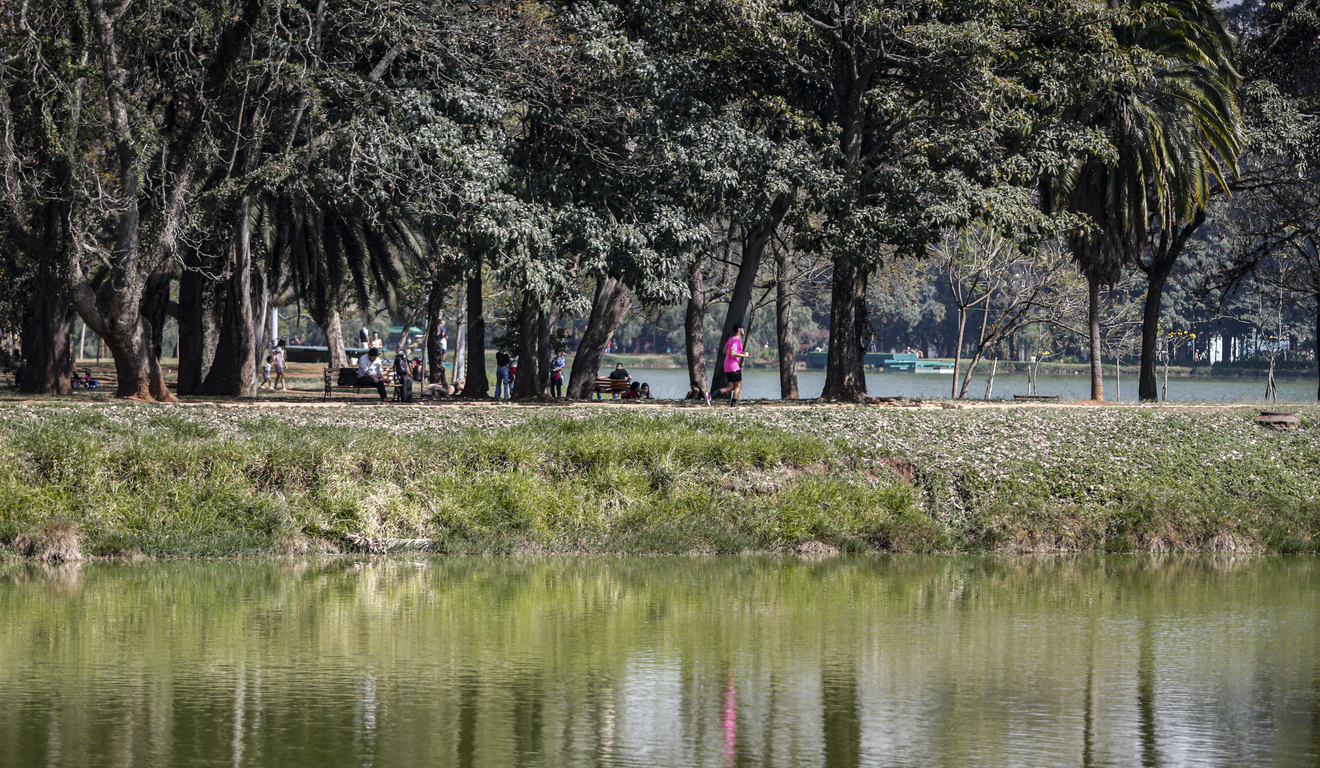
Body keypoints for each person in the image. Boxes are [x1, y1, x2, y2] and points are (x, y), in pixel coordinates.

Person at [712, 323, 748, 406]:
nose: (744, 330)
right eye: (743, 328)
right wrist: (744, 355)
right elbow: (732, 353)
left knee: (731, 387)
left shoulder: (731, 339)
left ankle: (711, 395)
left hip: (727, 366)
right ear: (739, 329)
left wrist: (739, 352)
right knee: (739, 385)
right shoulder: (736, 340)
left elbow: (725, 351)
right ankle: (733, 405)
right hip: (733, 366)